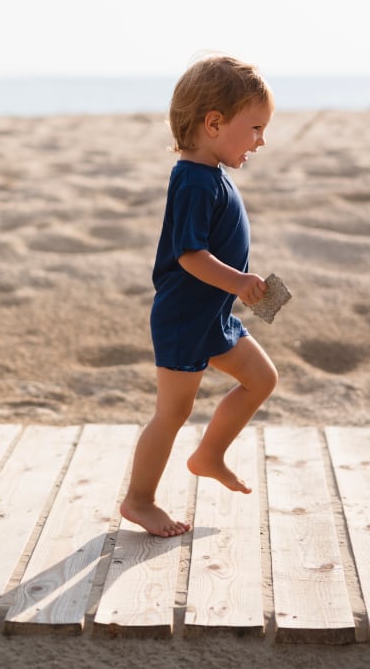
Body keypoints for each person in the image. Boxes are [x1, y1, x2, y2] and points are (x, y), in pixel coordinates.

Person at [120, 54, 278, 537]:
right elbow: (189, 255)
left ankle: (209, 454)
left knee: (261, 379)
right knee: (172, 412)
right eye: (254, 128)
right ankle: (139, 500)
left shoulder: (211, 175)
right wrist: (239, 282)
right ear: (214, 123)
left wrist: (236, 289)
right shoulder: (191, 181)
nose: (261, 140)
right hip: (185, 317)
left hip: (213, 315)